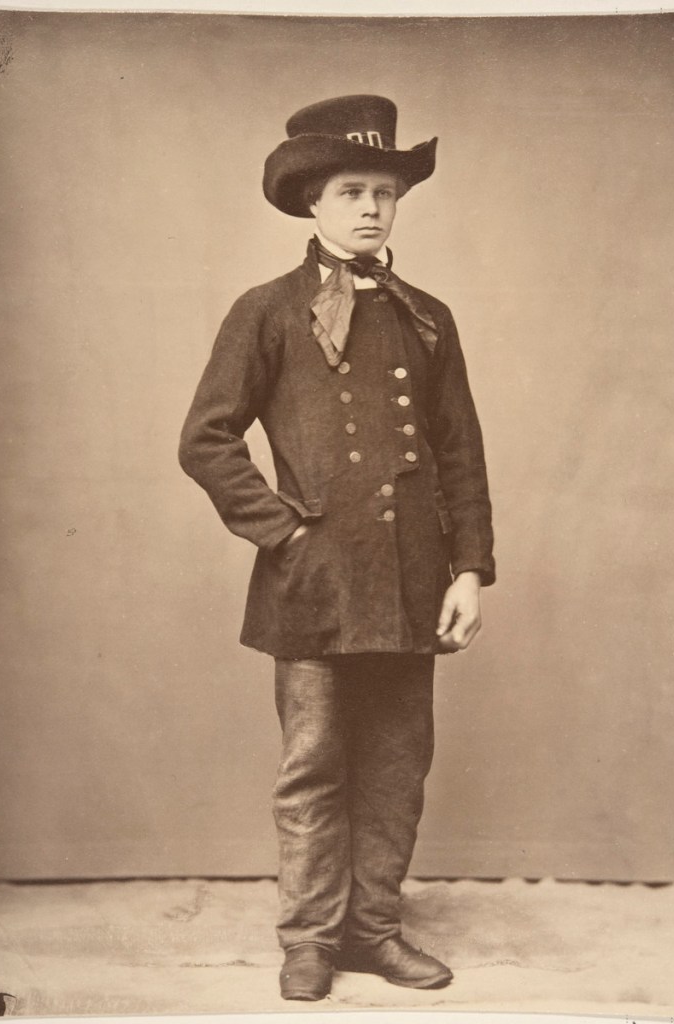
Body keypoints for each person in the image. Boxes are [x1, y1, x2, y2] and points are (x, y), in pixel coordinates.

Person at [179, 94, 495, 1002]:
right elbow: (205, 439)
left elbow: (460, 452)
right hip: (313, 585)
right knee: (314, 768)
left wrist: (468, 570)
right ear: (312, 202)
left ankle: (375, 932)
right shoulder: (268, 310)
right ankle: (310, 941)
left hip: (411, 582)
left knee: (395, 768)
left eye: (383, 193)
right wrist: (282, 528)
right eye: (351, 192)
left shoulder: (426, 316)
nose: (369, 208)